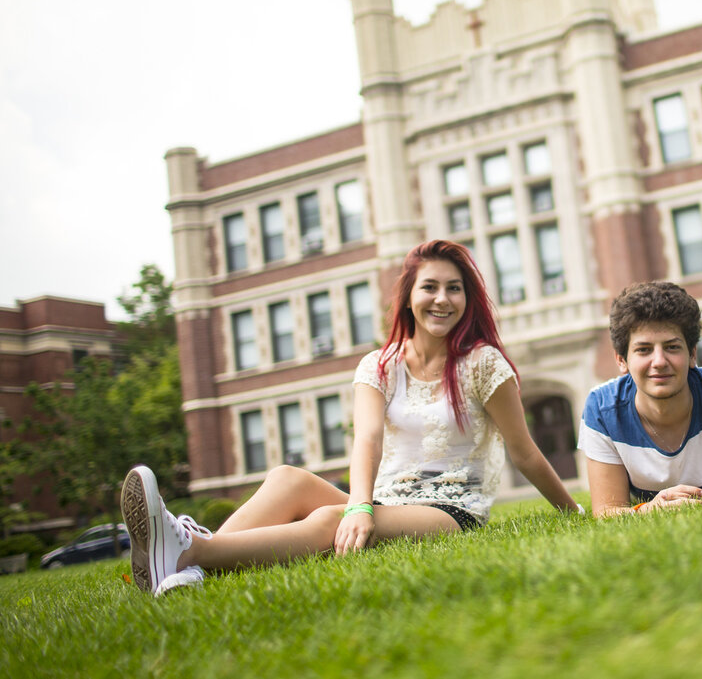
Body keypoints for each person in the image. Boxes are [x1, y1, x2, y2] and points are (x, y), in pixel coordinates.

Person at [122, 239, 582, 596]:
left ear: (467, 299)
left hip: (452, 510)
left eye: (454, 288)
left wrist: (575, 513)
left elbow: (524, 452)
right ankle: (186, 569)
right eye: (430, 287)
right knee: (286, 477)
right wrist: (361, 505)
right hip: (386, 500)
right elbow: (367, 440)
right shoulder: (379, 365)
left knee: (328, 520)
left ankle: (189, 551)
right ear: (407, 298)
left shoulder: (483, 365)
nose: (442, 299)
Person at [578, 281, 702, 517]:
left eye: (672, 347)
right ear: (621, 360)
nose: (659, 361)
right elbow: (606, 513)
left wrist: (693, 506)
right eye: (644, 350)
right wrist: (652, 509)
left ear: (692, 354)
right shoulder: (601, 409)